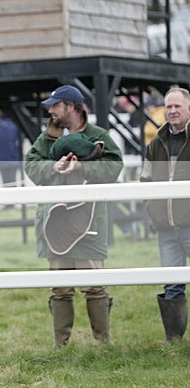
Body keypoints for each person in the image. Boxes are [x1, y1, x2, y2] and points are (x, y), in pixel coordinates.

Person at [24, 85, 123, 347]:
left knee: (94, 284)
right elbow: (31, 166)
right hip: (53, 222)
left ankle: (103, 342)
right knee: (59, 286)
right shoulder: (47, 138)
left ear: (71, 106)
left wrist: (83, 167)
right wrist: (51, 167)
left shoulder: (98, 136)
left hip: (88, 220)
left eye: (55, 105)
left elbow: (114, 167)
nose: (51, 110)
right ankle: (60, 345)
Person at [140, 86, 190, 341]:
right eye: (168, 106)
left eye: (177, 106)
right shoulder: (155, 144)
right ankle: (175, 341)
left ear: (188, 108)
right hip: (166, 228)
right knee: (172, 284)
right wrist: (154, 213)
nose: (172, 111)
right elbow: (146, 181)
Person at [0, 106, 22, 188]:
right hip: (1, 158)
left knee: (13, 181)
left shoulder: (14, 122)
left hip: (13, 157)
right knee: (5, 182)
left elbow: (20, 137)